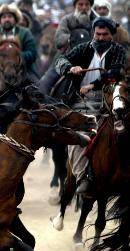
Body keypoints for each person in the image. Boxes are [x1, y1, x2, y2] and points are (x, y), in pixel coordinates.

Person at [54, 17, 127, 196]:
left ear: (112, 35)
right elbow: (60, 61)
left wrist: (93, 85)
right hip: (83, 101)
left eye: (105, 34)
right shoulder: (84, 48)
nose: (100, 38)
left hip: (110, 97)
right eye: (97, 34)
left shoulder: (118, 50)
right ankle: (82, 178)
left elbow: (114, 73)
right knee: (78, 135)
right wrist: (69, 68)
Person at [0, 4, 39, 81]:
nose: (7, 19)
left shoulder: (25, 33)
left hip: (24, 71)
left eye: (10, 17)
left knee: (37, 88)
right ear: (0, 20)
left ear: (15, 19)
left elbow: (32, 52)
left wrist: (16, 57)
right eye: (4, 17)